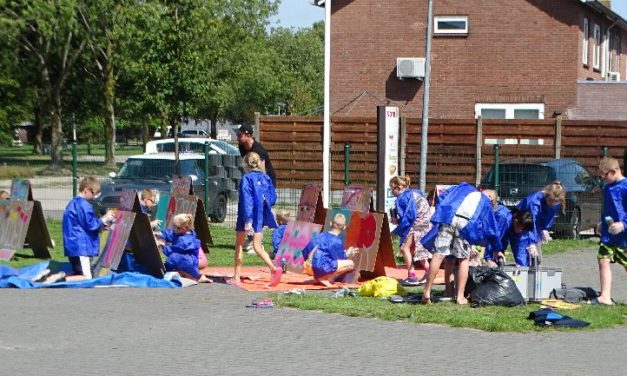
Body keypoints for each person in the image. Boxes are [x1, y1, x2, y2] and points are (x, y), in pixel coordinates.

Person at [420, 182, 501, 305]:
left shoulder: (464, 187)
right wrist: (497, 248)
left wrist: (441, 211)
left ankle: (429, 291)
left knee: (439, 256)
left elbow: (443, 195)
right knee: (463, 260)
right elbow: (491, 229)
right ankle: (460, 296)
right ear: (491, 198)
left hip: (448, 219)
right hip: (465, 228)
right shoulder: (486, 203)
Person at [232, 152, 281, 286]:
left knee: (239, 244)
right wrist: (265, 204)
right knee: (258, 246)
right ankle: (273, 268)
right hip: (259, 216)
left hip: (246, 216)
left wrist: (247, 220)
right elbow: (272, 198)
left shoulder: (246, 179)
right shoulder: (266, 178)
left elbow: (247, 199)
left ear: (246, 164)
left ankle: (236, 276)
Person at [62, 176, 114, 280]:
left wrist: (101, 226)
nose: (94, 197)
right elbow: (91, 224)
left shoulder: (73, 203)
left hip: (74, 245)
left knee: (80, 272)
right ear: (86, 190)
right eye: (94, 194)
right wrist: (105, 219)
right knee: (87, 278)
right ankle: (62, 278)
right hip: (81, 247)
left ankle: (63, 278)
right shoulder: (83, 205)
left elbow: (83, 225)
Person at [389, 175, 431, 286]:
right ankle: (429, 272)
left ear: (398, 188)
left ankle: (412, 276)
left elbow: (409, 217)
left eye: (392, 189)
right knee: (414, 249)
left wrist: (396, 229)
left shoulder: (403, 198)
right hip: (425, 223)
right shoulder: (414, 193)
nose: (392, 192)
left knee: (404, 248)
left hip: (417, 223)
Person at [596, 157, 627, 305]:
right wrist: (602, 222)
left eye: (604, 175)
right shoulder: (607, 188)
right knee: (603, 260)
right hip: (608, 235)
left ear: (614, 172)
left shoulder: (626, 186)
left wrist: (623, 224)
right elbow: (608, 208)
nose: (603, 179)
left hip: (624, 236)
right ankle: (605, 296)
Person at [516, 181, 566, 264]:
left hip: (536, 228)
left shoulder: (556, 203)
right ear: (546, 195)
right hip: (522, 224)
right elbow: (532, 223)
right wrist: (531, 243)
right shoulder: (534, 201)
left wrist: (544, 229)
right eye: (550, 201)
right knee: (524, 258)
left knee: (537, 258)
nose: (552, 204)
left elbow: (548, 218)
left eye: (555, 202)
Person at [480, 189, 534, 267]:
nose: (522, 232)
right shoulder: (503, 218)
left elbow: (520, 247)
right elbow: (492, 238)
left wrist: (522, 266)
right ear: (515, 222)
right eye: (522, 229)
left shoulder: (518, 228)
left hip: (498, 248)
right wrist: (488, 259)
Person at [301, 213, 356, 286]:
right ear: (344, 227)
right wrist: (348, 253)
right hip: (319, 268)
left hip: (307, 267)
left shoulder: (319, 236)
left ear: (330, 223)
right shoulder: (336, 241)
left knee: (328, 261)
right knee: (350, 264)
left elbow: (305, 252)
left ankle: (319, 277)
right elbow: (340, 259)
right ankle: (323, 277)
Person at [156, 213, 211, 283]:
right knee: (173, 260)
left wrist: (163, 246)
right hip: (185, 260)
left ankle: (199, 276)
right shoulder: (179, 232)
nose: (175, 229)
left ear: (185, 228)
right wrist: (160, 234)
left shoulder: (185, 241)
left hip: (190, 261)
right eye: (174, 226)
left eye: (177, 228)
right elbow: (171, 233)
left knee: (174, 258)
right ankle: (181, 273)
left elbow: (173, 251)